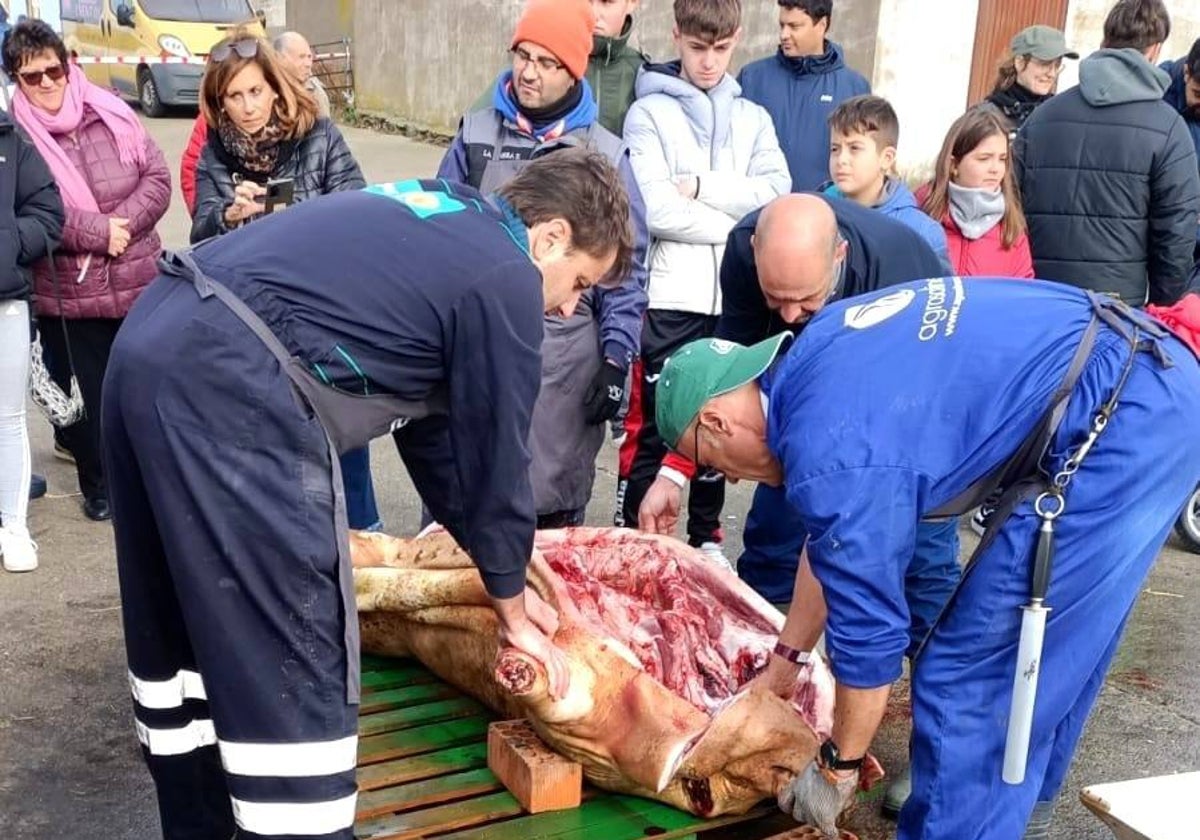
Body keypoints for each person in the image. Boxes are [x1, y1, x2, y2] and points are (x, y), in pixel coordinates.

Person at [102, 149, 633, 840]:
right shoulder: (506, 273)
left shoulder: (450, 212)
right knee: (291, 633)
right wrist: (513, 609)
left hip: (151, 342)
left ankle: (202, 823)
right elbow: (500, 451)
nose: (569, 306)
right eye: (580, 283)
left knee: (185, 619)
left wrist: (490, 556)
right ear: (551, 237)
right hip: (230, 384)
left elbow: (435, 436)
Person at [654, 279, 1200, 840]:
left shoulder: (830, 451)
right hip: (1152, 379)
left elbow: (869, 635)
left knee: (971, 675)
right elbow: (831, 543)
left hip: (1117, 415)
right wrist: (785, 663)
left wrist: (838, 766)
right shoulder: (815, 365)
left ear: (715, 423)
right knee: (1053, 648)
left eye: (716, 464)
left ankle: (972, 824)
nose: (736, 478)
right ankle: (1010, 814)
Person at [638, 193, 955, 816]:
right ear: (754, 253)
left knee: (922, 575)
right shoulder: (745, 252)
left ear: (837, 259)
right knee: (788, 538)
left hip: (914, 431)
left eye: (805, 301)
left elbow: (926, 402)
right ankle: (775, 690)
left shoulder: (903, 263)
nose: (787, 315)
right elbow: (723, 379)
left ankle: (936, 755)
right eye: (774, 297)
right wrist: (677, 467)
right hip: (795, 415)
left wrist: (838, 768)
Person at [438, 0, 647, 529]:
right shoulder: (476, 136)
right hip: (479, 341)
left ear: (574, 69)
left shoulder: (606, 156)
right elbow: (439, 233)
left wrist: (617, 357)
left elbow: (627, 268)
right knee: (464, 495)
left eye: (547, 62)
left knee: (548, 512)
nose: (528, 72)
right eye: (522, 56)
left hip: (565, 356)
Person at [618, 0, 790, 563]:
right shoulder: (648, 113)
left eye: (720, 48)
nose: (709, 61)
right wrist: (740, 226)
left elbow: (778, 195)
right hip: (673, 296)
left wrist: (695, 183)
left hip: (737, 298)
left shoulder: (754, 119)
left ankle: (707, 537)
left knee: (726, 420)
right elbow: (657, 210)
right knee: (661, 425)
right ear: (676, 36)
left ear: (737, 39)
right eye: (696, 47)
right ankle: (639, 539)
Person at [190, 31, 382, 531]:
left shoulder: (317, 133)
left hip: (324, 310)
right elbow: (200, 233)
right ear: (219, 102)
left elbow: (357, 210)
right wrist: (230, 216)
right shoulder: (215, 152)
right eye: (235, 96)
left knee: (344, 435)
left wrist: (284, 211)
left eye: (255, 91)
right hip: (254, 317)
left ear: (275, 87)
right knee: (271, 439)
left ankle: (363, 533)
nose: (248, 106)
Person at [4, 19, 170, 523]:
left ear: (68, 64)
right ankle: (100, 486)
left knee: (150, 391)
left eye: (54, 69)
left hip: (140, 276)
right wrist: (101, 234)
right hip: (69, 294)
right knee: (89, 404)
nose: (47, 82)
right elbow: (30, 209)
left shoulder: (113, 111)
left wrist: (123, 226)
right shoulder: (15, 137)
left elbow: (157, 176)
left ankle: (157, 481)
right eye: (32, 77)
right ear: (16, 79)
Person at [1015, 0, 1200, 308]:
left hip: (1041, 300)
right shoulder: (1169, 128)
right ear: (1154, 50)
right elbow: (1176, 235)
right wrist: (1163, 308)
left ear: (1104, 42)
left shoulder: (1042, 117)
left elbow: (1012, 210)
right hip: (1119, 312)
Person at [0, 102, 64, 572]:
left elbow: (47, 212)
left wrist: (5, 244)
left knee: (8, 419)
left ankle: (14, 526)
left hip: (6, 303)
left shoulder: (11, 141)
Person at [738, 0, 869, 192]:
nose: (784, 35)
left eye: (794, 26)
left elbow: (863, 163)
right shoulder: (752, 78)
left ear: (822, 25)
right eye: (782, 25)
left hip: (825, 215)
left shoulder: (855, 88)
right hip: (760, 214)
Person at [822, 95, 951, 269]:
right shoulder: (817, 215)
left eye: (854, 148)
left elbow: (939, 292)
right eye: (835, 149)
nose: (841, 159)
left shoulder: (919, 232)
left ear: (886, 158)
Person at [918, 105, 1034, 280]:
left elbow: (1023, 297)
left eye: (1002, 159)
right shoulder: (919, 215)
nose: (995, 169)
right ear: (954, 165)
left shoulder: (1012, 230)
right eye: (984, 158)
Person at [986, 25, 1078, 136]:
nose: (1052, 74)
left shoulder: (1062, 116)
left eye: (1057, 65)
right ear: (1019, 62)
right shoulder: (987, 117)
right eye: (1044, 63)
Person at [587, 0, 647, 136]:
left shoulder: (642, 73)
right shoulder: (553, 63)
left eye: (607, 2)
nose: (594, 14)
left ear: (632, 3)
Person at [274, 30, 333, 119]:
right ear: (280, 59)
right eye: (301, 57)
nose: (308, 64)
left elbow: (324, 130)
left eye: (309, 57)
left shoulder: (315, 93)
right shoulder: (264, 88)